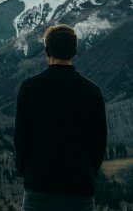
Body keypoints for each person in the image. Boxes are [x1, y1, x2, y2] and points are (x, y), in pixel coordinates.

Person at [14, 24, 107, 211]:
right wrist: (86, 172)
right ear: (74, 51)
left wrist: (30, 172)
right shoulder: (92, 92)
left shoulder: (30, 88)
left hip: (39, 189)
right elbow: (99, 144)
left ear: (47, 51)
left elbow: (21, 140)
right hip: (79, 191)